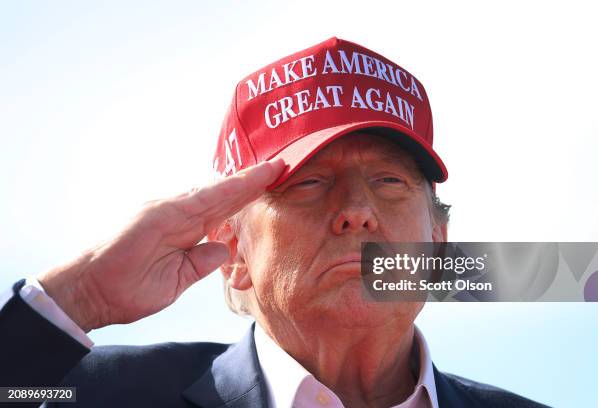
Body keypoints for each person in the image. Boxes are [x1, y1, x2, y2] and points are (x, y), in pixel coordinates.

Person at [0, 37, 550, 408]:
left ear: (437, 242)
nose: (357, 210)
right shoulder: (100, 395)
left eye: (389, 181)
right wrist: (82, 295)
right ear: (234, 251)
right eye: (307, 183)